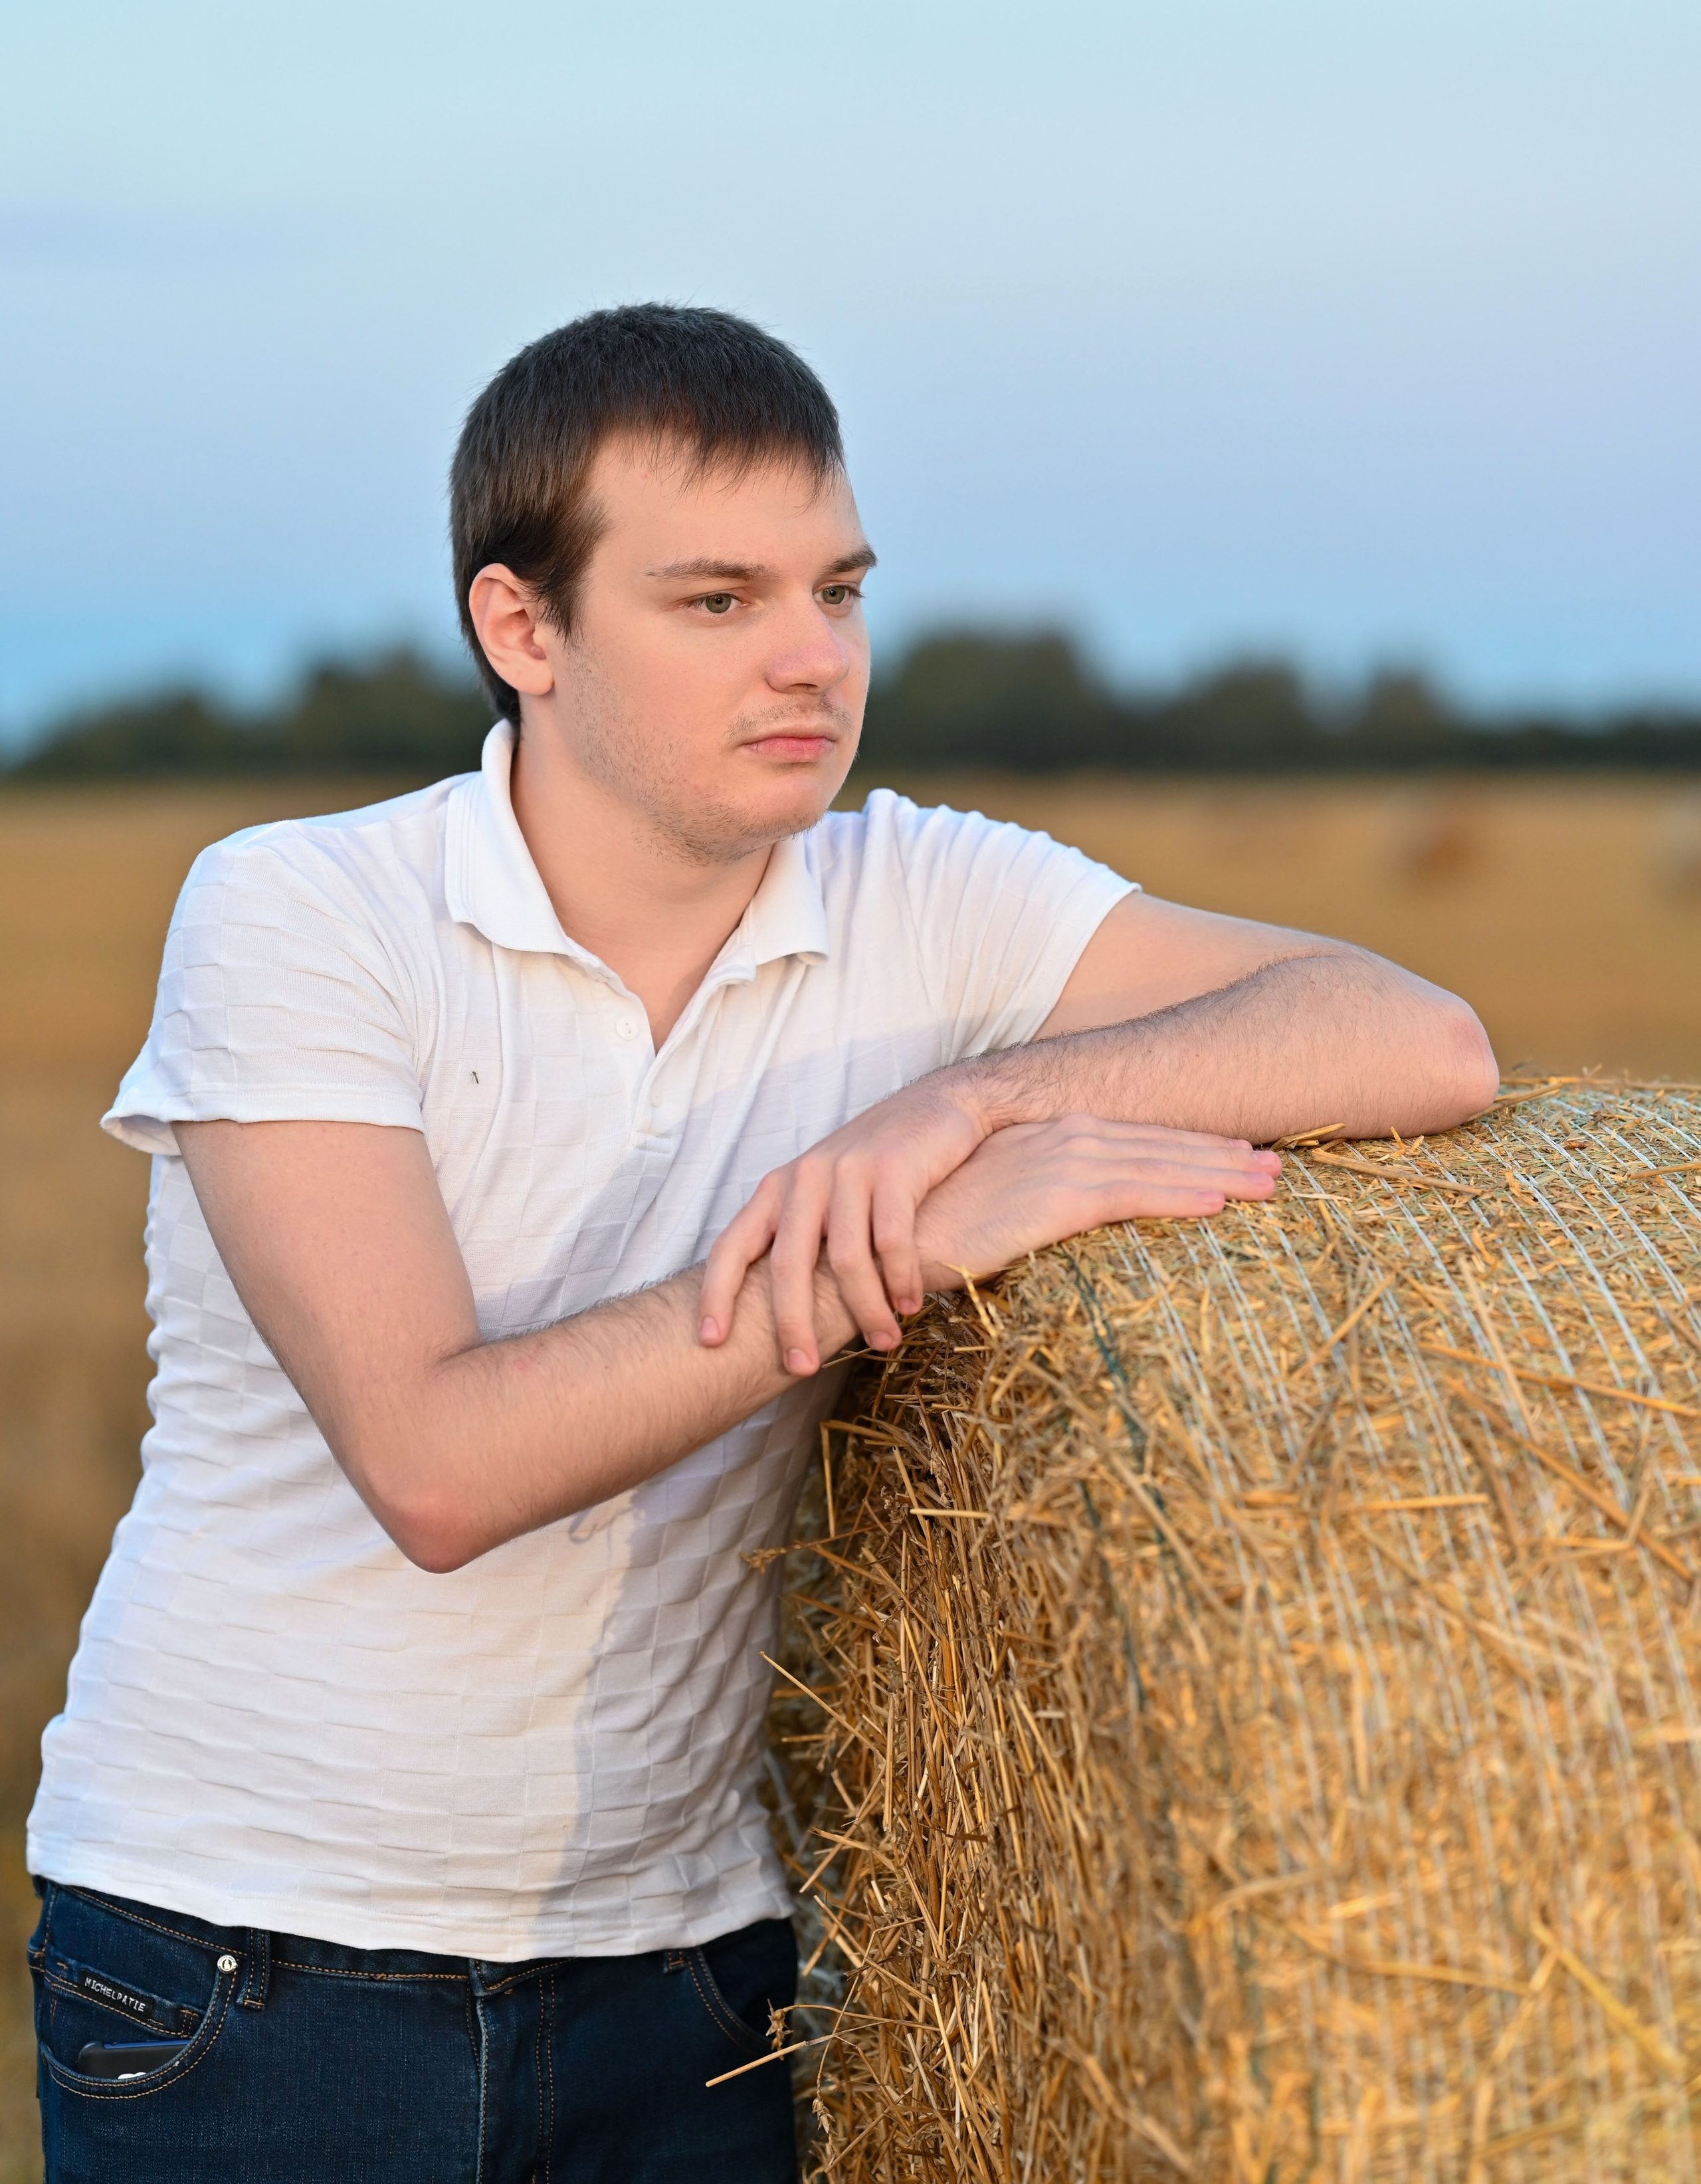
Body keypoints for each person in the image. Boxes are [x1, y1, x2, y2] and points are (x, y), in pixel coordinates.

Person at [27, 304, 1498, 2181]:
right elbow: (440, 1462)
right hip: (249, 1967)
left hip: (690, 1980)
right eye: (716, 601)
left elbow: (1415, 1033)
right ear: (521, 631)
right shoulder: (303, 912)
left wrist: (964, 1107)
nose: (812, 659)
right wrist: (912, 1248)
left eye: (840, 591)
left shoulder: (924, 893)